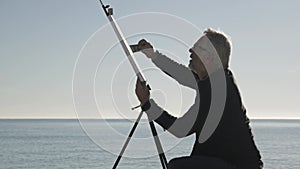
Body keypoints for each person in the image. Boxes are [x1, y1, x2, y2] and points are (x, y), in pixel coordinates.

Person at [134, 28, 263, 169]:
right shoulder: (217, 79)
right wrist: (153, 55)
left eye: (197, 48)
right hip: (226, 162)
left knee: (177, 166)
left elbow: (181, 129)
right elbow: (181, 74)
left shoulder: (218, 90)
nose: (191, 50)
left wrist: (147, 104)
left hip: (236, 166)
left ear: (209, 57)